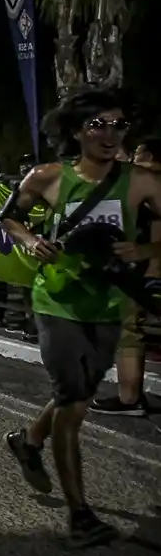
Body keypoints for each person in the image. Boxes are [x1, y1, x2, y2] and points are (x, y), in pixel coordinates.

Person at [0, 90, 161, 544]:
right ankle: (80, 515)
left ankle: (28, 441)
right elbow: (9, 219)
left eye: (119, 125)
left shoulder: (143, 181)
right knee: (73, 407)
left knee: (80, 395)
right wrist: (30, 240)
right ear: (76, 131)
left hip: (110, 303)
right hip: (58, 302)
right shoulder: (48, 177)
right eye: (98, 125)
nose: (110, 135)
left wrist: (145, 249)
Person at [92, 135, 158, 418]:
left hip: (145, 270)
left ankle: (129, 398)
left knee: (129, 333)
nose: (133, 159)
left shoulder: (146, 184)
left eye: (139, 153)